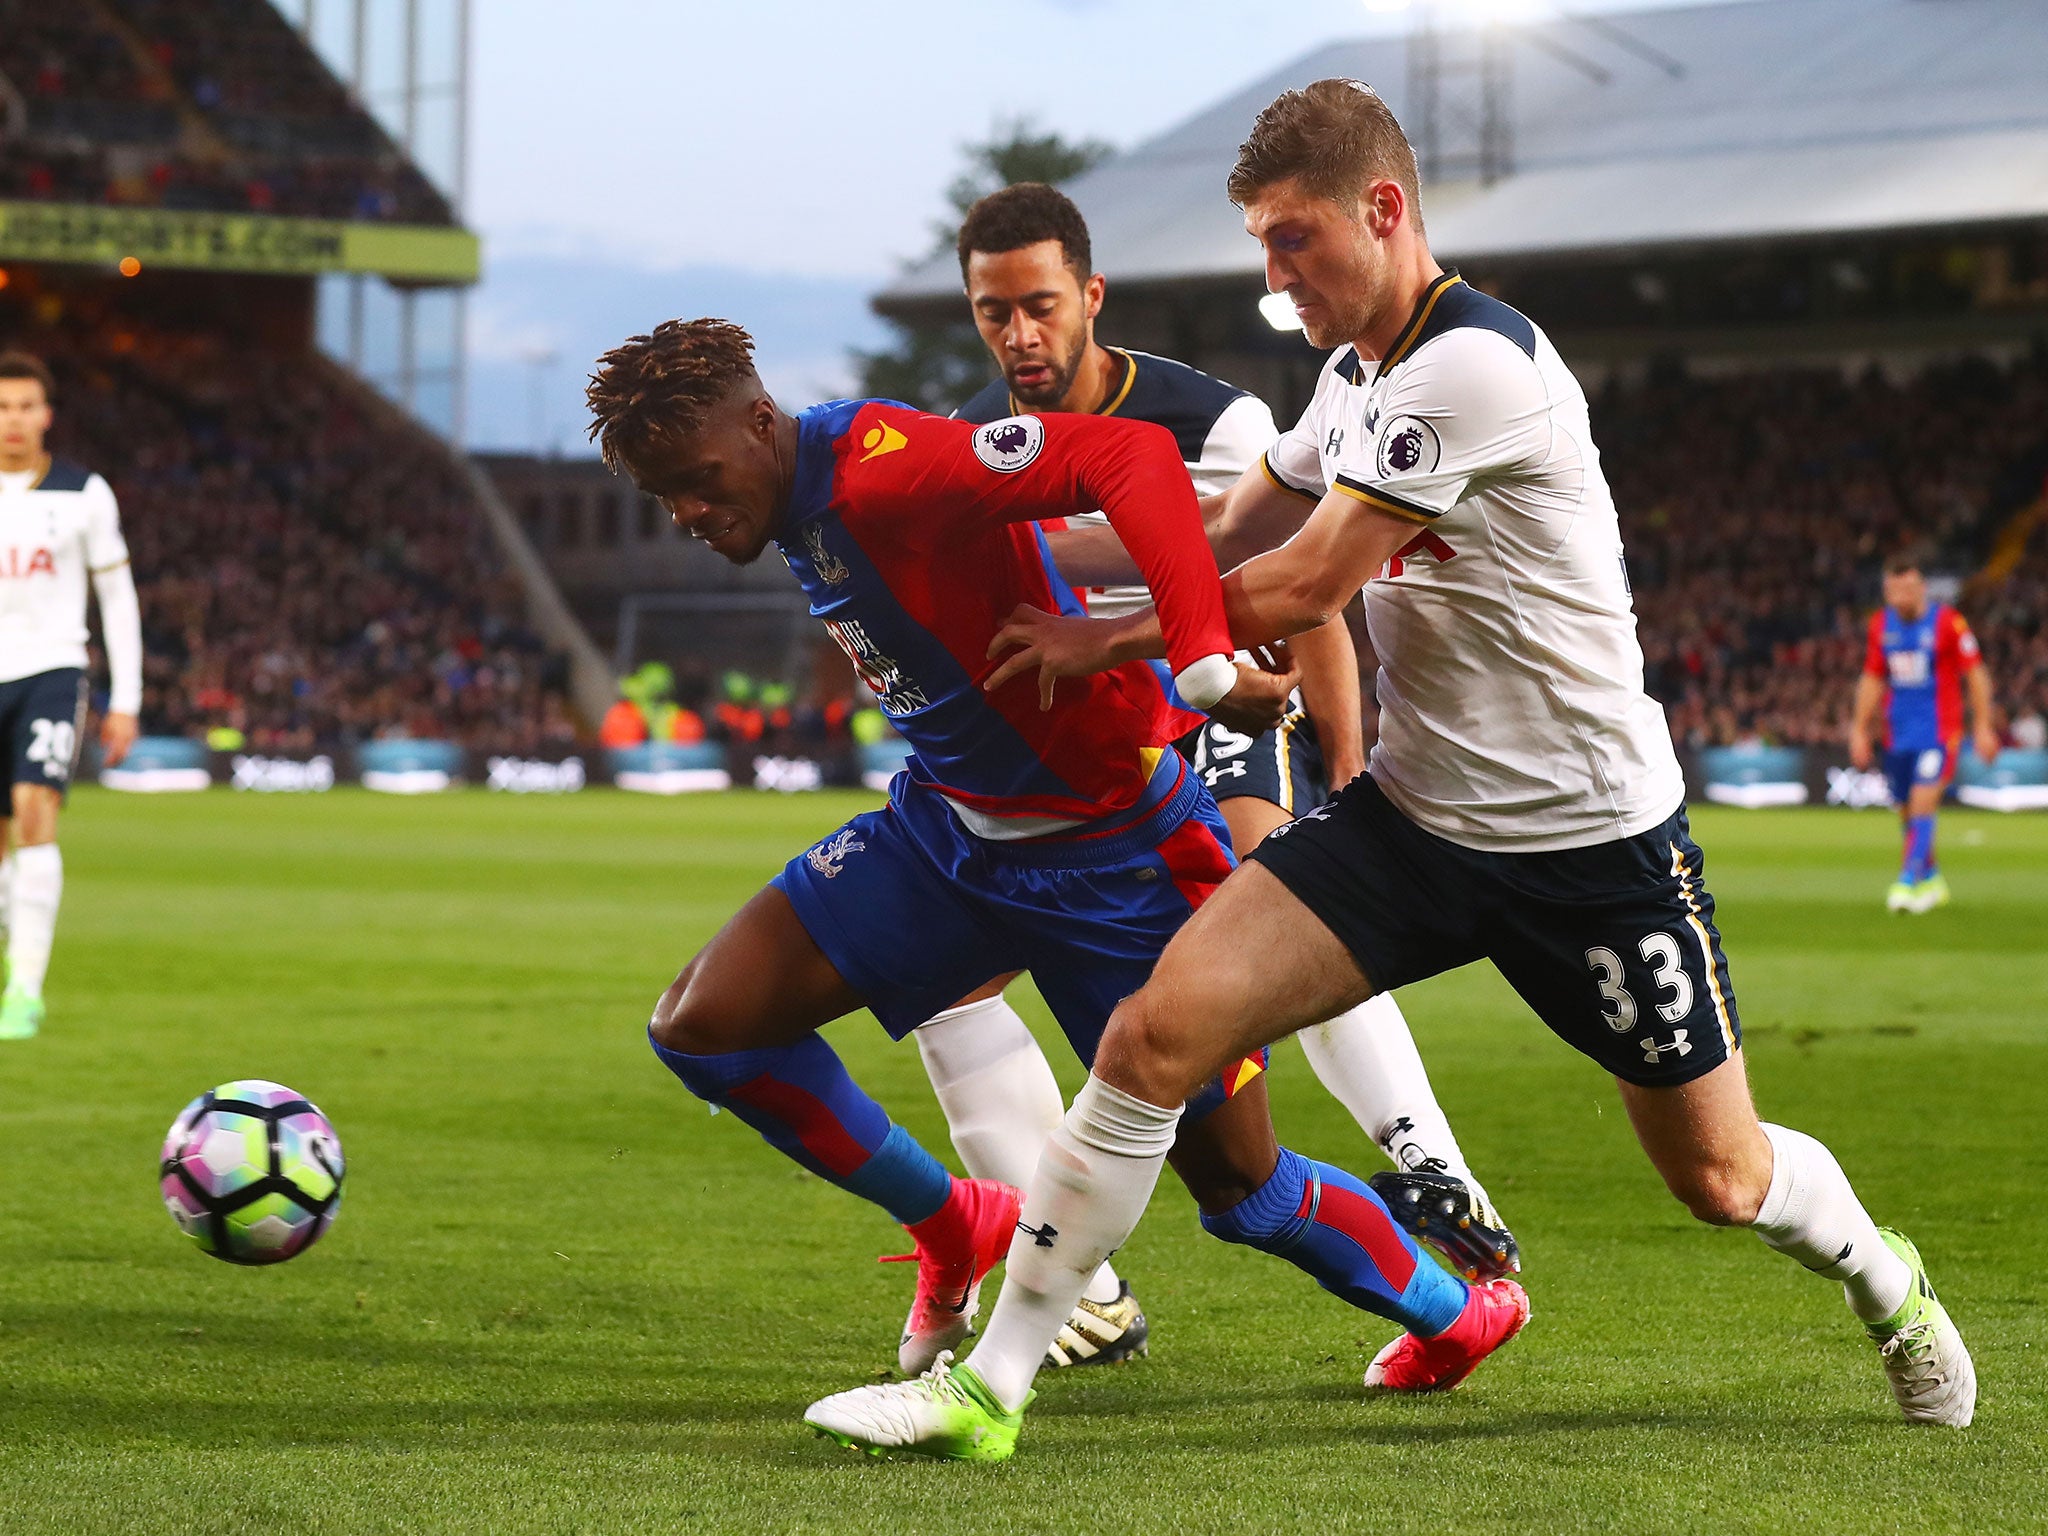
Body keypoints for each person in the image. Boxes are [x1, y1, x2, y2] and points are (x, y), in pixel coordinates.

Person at [808, 77, 1973, 1458]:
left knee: (1723, 1177)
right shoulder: (1353, 379)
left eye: (1293, 238)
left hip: (1592, 849)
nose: (1273, 272)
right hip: (1416, 828)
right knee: (1153, 1035)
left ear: (1384, 210)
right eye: (1259, 242)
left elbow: (1302, 580)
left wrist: (1101, 635)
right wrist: (970, 541)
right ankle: (991, 1389)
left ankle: (1885, 1282)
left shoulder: (1474, 365)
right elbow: (1231, 521)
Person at [587, 318, 1524, 1461]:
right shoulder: (789, 501)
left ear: (760, 422)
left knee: (1244, 1189)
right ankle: (956, 1218)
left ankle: (1461, 1314)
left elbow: (1124, 461)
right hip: (949, 836)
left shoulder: (895, 464)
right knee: (706, 1030)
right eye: (662, 495)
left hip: (1119, 861)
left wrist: (1195, 658)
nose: (686, 512)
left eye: (695, 481)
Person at [912, 182, 1516, 1370]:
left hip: (1217, 715)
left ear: (1088, 298)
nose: (1017, 337)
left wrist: (1345, 766)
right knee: (940, 982)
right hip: (1078, 754)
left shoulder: (1216, 420)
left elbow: (1311, 596)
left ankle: (1431, 1166)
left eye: (1037, 307)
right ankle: (1074, 1281)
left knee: (1279, 891)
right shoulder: (968, 446)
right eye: (992, 314)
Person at [0, 350, 142, 1040]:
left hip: (53, 670)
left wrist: (128, 699)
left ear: (46, 415)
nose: (13, 420)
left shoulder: (84, 493)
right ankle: (13, 928)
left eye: (25, 406)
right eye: (2, 407)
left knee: (34, 809)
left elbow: (117, 597)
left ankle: (24, 990)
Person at [1849, 548, 1999, 913]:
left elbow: (1975, 673)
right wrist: (1859, 729)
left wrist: (1982, 725)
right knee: (1906, 809)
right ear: (1887, 592)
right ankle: (1931, 879)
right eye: (1894, 591)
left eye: (1908, 589)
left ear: (1921, 589)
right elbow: (1872, 678)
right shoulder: (1881, 626)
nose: (1901, 597)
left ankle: (1907, 880)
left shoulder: (1949, 623)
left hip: (1940, 731)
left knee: (1923, 801)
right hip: (1898, 733)